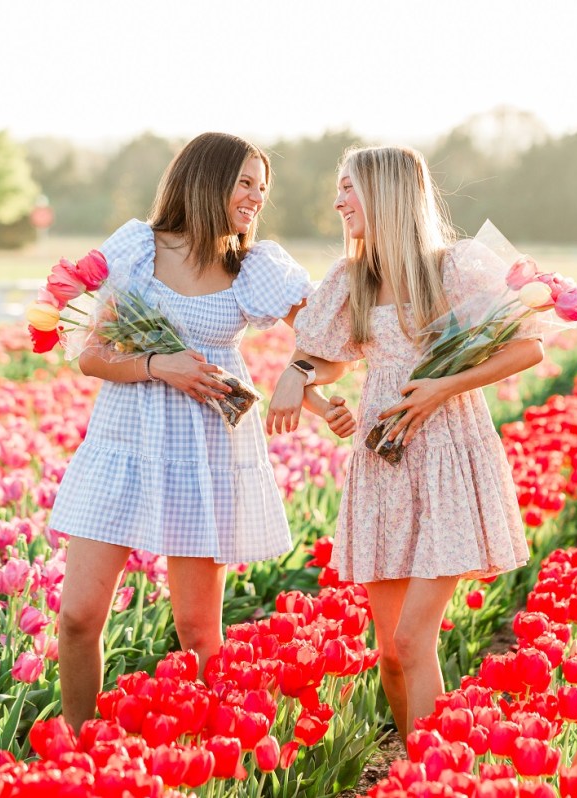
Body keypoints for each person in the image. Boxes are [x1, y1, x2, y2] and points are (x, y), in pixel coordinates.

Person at [51, 132, 354, 731]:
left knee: (196, 630)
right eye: (245, 184)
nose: (254, 200)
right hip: (126, 441)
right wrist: (159, 366)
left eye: (261, 190)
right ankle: (76, 757)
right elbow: (88, 353)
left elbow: (335, 340)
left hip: (207, 449)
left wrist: (300, 379)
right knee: (79, 617)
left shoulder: (253, 267)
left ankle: (206, 755)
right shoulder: (137, 247)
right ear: (205, 179)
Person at [267, 145, 543, 743]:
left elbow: (528, 346)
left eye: (349, 187)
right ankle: (419, 764)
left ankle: (430, 778)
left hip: (446, 451)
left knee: (415, 639)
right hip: (383, 460)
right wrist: (301, 378)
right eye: (338, 188)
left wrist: (441, 387)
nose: (339, 200)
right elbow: (327, 361)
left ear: (388, 193)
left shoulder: (456, 267)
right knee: (390, 652)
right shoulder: (352, 279)